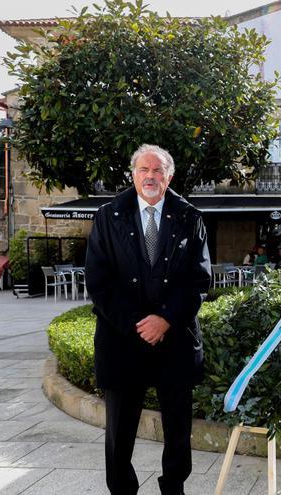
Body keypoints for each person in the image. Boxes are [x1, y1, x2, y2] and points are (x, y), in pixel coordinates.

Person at [85, 144, 212, 495]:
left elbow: (198, 280)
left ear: (169, 177)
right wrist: (137, 323)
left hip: (175, 342)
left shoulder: (190, 218)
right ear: (133, 174)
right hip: (121, 341)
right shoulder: (108, 216)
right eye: (144, 169)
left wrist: (166, 319)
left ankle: (174, 487)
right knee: (119, 431)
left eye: (158, 171)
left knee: (177, 428)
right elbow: (98, 281)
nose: (151, 176)